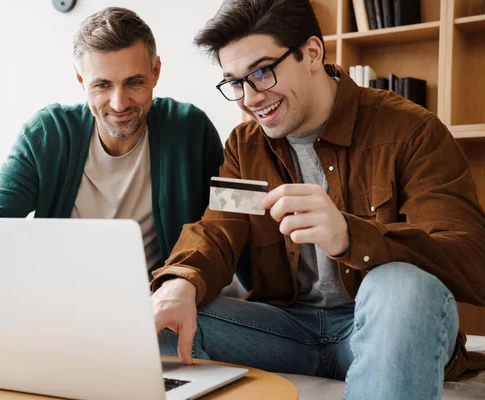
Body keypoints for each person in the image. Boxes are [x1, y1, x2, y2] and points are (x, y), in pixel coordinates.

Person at [151, 0, 485, 399]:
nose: (249, 98)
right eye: (236, 82)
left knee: (403, 285)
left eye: (261, 72)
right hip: (285, 332)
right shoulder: (245, 146)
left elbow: (471, 261)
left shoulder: (412, 131)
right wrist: (180, 282)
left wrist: (349, 237)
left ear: (311, 53)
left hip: (381, 325)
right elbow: (217, 231)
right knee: (163, 316)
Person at [0, 6, 223, 375]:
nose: (119, 103)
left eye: (134, 82)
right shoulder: (49, 133)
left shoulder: (189, 130)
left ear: (156, 72)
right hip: (51, 304)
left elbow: (225, 226)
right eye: (102, 85)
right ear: (80, 79)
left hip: (143, 308)